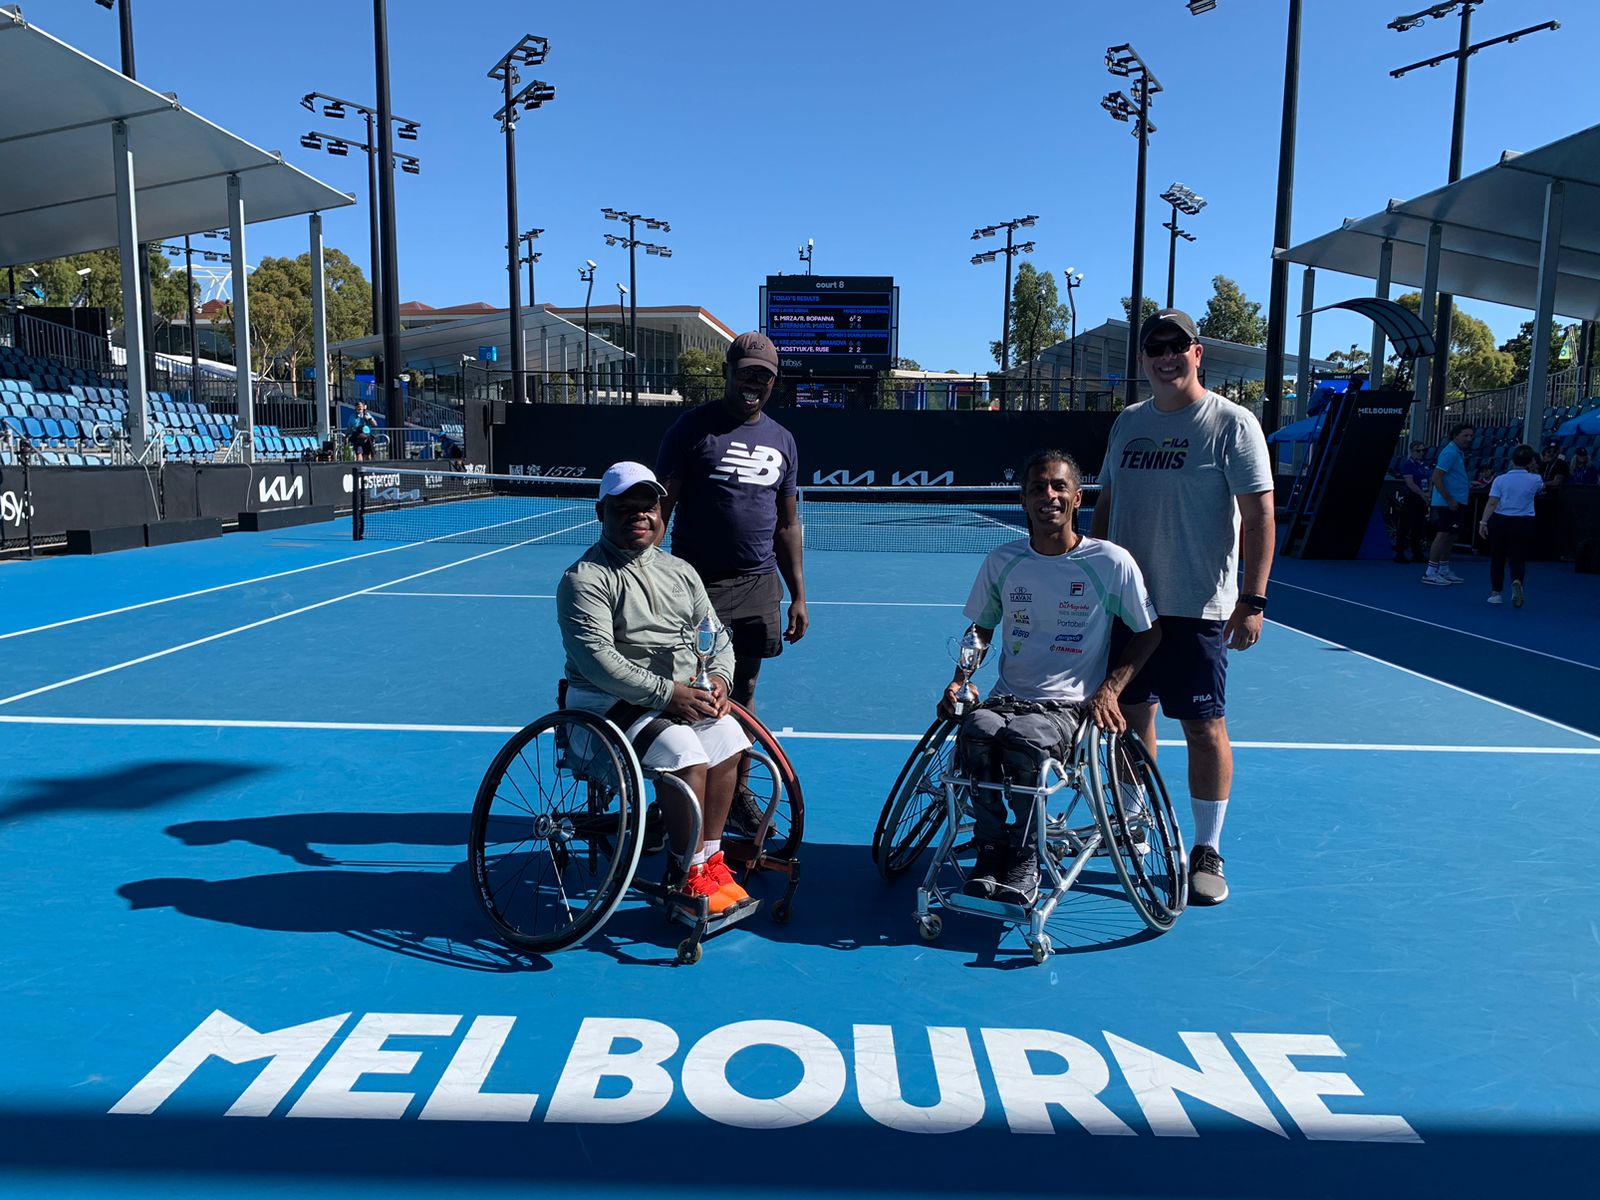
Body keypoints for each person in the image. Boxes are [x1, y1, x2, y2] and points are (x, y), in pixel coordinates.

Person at [1089, 308, 1275, 906]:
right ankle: (1135, 826)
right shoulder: (1126, 423)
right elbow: (1105, 505)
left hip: (1197, 606)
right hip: (1126, 605)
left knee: (1202, 726)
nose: (1166, 356)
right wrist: (1085, 574)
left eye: (1178, 345)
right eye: (1155, 347)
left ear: (1198, 354)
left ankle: (1206, 848)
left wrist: (1253, 599)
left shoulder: (1232, 424)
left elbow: (1260, 515)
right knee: (1127, 719)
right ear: (1144, 359)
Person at [941, 451, 1160, 905]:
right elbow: (982, 627)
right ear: (1023, 499)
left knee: (1025, 743)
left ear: (1078, 498)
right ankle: (990, 846)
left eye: (1059, 487)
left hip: (1067, 707)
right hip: (1006, 697)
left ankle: (1024, 853)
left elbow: (1148, 632)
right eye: (1038, 488)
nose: (1049, 496)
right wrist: (961, 678)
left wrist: (1110, 690)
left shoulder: (1110, 561)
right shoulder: (1002, 560)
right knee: (976, 732)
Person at [556, 461, 753, 915]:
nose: (639, 515)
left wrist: (720, 679)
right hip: (604, 706)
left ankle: (708, 861)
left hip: (676, 698)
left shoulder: (681, 571)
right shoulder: (584, 579)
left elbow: (716, 636)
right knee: (684, 748)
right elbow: (599, 662)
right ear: (601, 512)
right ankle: (684, 873)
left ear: (661, 512)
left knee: (729, 737)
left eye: (648, 506)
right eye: (625, 508)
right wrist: (671, 694)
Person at [656, 331, 807, 834]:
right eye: (746, 373)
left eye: (764, 377)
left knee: (741, 691)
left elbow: (787, 525)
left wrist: (799, 596)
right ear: (728, 371)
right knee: (689, 695)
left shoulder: (782, 440)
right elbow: (664, 504)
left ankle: (735, 794)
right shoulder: (691, 430)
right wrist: (645, 573)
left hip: (759, 586)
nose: (754, 384)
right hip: (696, 587)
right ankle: (676, 798)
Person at [1478, 444, 1544, 608]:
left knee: (1498, 558)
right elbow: (1541, 488)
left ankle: (1496, 593)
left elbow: (1492, 502)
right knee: (1518, 557)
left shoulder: (1500, 479)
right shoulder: (1535, 479)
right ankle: (1517, 581)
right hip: (1524, 521)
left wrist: (1483, 521)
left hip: (1501, 520)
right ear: (1530, 462)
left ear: (1512, 460)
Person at [1423, 423, 1475, 586]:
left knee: (1451, 536)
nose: (1469, 439)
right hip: (1448, 503)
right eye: (1465, 435)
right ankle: (1430, 572)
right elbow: (1436, 478)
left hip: (1458, 501)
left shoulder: (1457, 453)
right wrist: (1450, 500)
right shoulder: (1450, 453)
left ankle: (1443, 569)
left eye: (1471, 436)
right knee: (1443, 534)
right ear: (1454, 435)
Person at [1393, 440, 1433, 564]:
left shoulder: (1425, 464)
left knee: (1419, 527)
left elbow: (1431, 479)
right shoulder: (1408, 464)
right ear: (1412, 451)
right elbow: (1410, 483)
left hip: (1423, 498)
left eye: (1423, 450)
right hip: (1412, 498)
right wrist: (1422, 494)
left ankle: (1417, 553)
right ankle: (1399, 553)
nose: (1421, 453)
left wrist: (1429, 493)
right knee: (1405, 526)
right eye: (1418, 450)